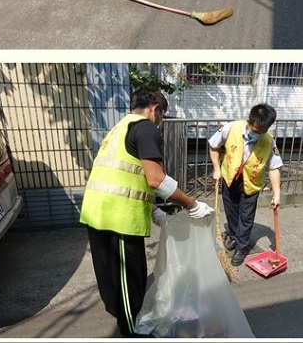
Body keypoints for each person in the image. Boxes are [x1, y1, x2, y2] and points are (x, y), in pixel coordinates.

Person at [79, 88, 214, 337]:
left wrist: (154, 212)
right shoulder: (146, 127)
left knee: (115, 282)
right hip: (117, 219)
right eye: (162, 116)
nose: (160, 123)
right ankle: (134, 334)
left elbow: (130, 177)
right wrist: (192, 205)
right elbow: (156, 179)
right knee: (130, 285)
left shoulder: (119, 127)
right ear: (155, 109)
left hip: (99, 213)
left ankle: (126, 323)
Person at [209, 103, 283, 267]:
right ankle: (234, 236)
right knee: (231, 212)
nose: (257, 135)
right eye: (255, 131)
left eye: (261, 132)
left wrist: (277, 194)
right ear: (249, 121)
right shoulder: (231, 128)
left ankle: (242, 247)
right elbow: (214, 146)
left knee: (246, 217)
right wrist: (216, 169)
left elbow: (274, 167)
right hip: (230, 178)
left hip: (251, 183)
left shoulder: (268, 141)